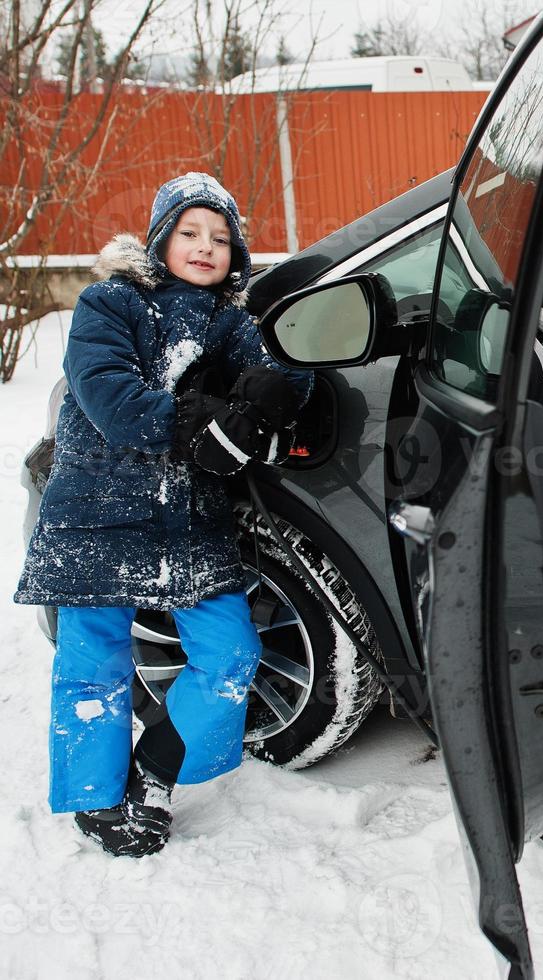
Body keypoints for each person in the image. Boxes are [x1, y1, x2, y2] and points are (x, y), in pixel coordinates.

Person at [14, 172, 312, 857]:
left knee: (233, 653)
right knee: (94, 662)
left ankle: (157, 768)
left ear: (235, 254)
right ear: (158, 239)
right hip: (100, 509)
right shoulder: (109, 303)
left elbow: (278, 373)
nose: (206, 247)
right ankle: (95, 798)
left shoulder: (229, 323)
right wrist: (200, 418)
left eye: (220, 238)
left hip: (189, 521)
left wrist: (274, 393)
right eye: (189, 232)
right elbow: (109, 397)